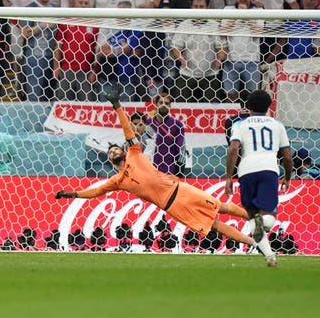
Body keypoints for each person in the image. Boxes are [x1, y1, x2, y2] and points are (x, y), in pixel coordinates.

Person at [55, 88, 275, 266]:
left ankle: (257, 222)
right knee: (214, 225)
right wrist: (72, 194)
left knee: (220, 206)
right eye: (110, 153)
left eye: (114, 149)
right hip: (173, 206)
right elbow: (96, 191)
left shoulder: (134, 152)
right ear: (111, 161)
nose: (113, 151)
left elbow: (127, 130)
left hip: (180, 189)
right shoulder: (118, 180)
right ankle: (254, 243)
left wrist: (117, 106)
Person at [225, 89, 293, 267]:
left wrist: (228, 177)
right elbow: (286, 155)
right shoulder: (277, 124)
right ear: (269, 106)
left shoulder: (239, 124)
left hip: (246, 171)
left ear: (248, 106)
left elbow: (233, 149)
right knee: (268, 217)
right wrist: (287, 177)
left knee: (253, 217)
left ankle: (270, 257)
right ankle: (264, 224)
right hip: (268, 169)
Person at [144, 92, 186, 176]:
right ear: (156, 105)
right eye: (161, 102)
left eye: (166, 103)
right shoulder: (147, 123)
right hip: (149, 170)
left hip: (169, 171)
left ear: (170, 106)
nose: (163, 105)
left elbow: (181, 148)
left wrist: (180, 171)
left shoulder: (177, 125)